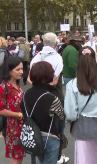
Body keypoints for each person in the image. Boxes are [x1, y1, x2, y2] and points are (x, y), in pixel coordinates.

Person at [64, 47, 97, 164]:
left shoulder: (72, 85)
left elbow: (71, 114)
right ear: (94, 61)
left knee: (85, 159)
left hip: (83, 129)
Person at [29, 32, 69, 164]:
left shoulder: (36, 58)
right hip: (54, 96)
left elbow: (30, 78)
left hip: (36, 95)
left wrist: (38, 85)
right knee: (57, 129)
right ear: (56, 43)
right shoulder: (57, 58)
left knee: (39, 127)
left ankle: (44, 153)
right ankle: (57, 156)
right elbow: (55, 82)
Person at [20, 61, 65, 164]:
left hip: (33, 136)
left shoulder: (25, 94)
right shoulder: (51, 98)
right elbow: (62, 116)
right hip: (49, 137)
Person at [0, 57, 25, 164]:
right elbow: (0, 109)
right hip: (12, 127)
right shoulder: (3, 87)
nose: (21, 72)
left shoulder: (16, 85)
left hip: (21, 125)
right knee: (16, 157)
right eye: (18, 69)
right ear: (9, 70)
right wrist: (18, 115)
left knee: (20, 155)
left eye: (22, 69)